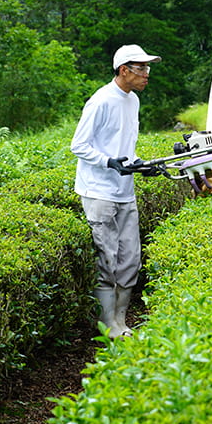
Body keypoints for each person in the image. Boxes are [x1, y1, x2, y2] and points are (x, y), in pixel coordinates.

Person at [71, 44, 161, 338]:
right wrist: (108, 162)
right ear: (124, 70)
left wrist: (140, 166)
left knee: (130, 259)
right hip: (99, 193)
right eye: (142, 69)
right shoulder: (101, 101)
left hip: (125, 191)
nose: (147, 75)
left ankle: (121, 321)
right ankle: (107, 325)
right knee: (107, 260)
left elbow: (125, 147)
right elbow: (79, 145)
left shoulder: (132, 100)